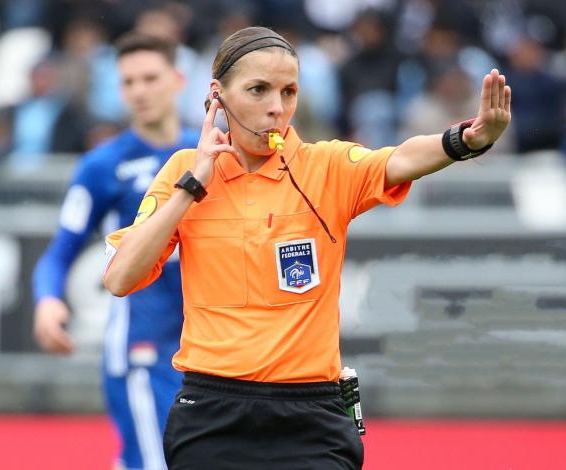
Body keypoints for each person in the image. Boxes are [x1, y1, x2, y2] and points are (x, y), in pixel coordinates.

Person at [103, 26, 511, 469]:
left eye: (289, 91)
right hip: (211, 415)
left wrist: (467, 140)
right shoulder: (183, 170)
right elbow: (120, 277)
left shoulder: (326, 166)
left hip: (312, 418)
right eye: (258, 90)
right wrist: (191, 187)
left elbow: (401, 157)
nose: (277, 108)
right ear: (217, 95)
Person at [32, 33, 199, 470]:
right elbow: (60, 251)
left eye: (150, 78)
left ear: (178, 79)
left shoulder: (208, 153)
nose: (139, 91)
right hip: (142, 349)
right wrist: (47, 300)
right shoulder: (103, 166)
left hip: (209, 350)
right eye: (128, 82)